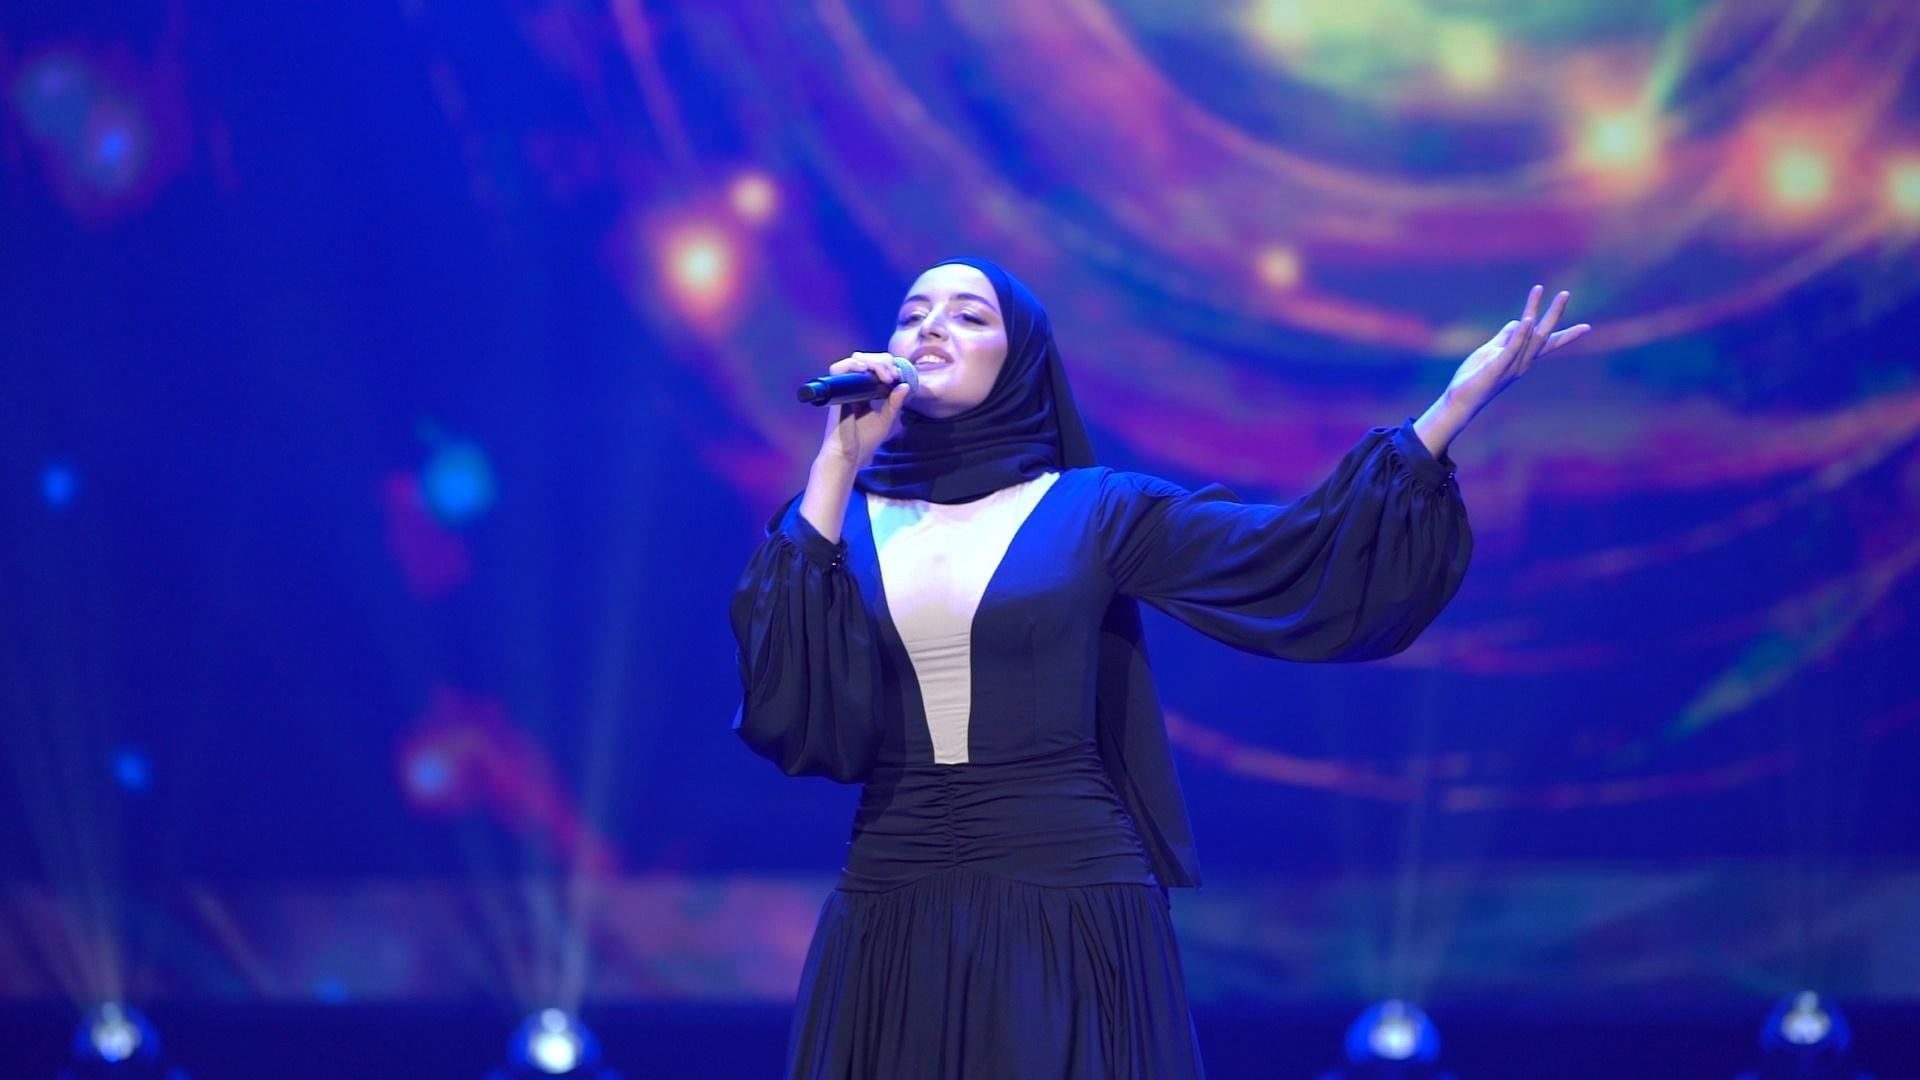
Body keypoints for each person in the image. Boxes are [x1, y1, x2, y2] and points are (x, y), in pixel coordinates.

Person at [730, 257, 1589, 1079]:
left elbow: (1293, 553)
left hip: (1066, 891)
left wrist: (1449, 410)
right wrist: (838, 461)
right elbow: (786, 701)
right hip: (892, 890)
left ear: (1019, 359)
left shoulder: (1094, 509)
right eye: (913, 314)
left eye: (968, 315)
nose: (930, 329)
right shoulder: (838, 522)